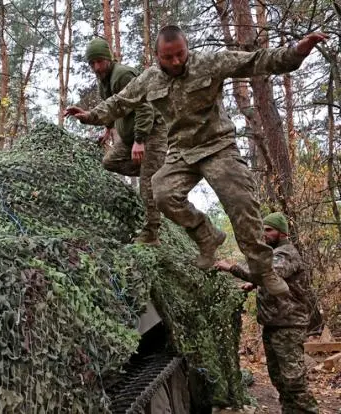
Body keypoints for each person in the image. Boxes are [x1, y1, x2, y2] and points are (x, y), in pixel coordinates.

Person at [64, 24, 328, 296]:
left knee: (241, 203)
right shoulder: (149, 79)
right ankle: (207, 236)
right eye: (168, 57)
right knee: (161, 192)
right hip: (181, 150)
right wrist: (90, 116)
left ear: (187, 48)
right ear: (157, 56)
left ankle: (263, 270)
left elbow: (256, 61)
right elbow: (120, 102)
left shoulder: (210, 62)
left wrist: (297, 52)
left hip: (217, 146)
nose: (176, 61)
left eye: (181, 54)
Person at [215, 212, 318, 413]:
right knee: (279, 379)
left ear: (282, 233)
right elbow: (272, 280)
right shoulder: (274, 254)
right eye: (262, 229)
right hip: (273, 325)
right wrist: (252, 284)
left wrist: (232, 268)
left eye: (269, 230)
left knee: (294, 381)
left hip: (288, 326)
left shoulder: (287, 253)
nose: (264, 234)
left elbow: (269, 274)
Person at [84, 37, 168, 246]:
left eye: (100, 61)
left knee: (147, 186)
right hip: (128, 136)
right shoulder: (103, 79)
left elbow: (144, 106)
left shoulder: (123, 75)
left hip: (150, 133)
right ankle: (155, 171)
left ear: (109, 58)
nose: (96, 67)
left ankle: (151, 235)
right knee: (109, 162)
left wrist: (140, 141)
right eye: (92, 63)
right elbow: (113, 105)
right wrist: (108, 128)